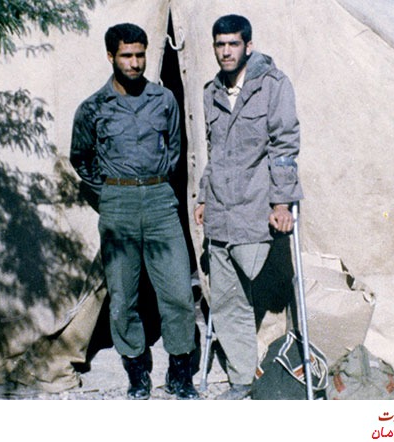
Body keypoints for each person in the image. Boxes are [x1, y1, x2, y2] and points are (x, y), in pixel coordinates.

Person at [70, 23, 198, 400]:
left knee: (178, 292)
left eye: (140, 54)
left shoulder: (164, 100)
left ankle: (180, 373)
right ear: (111, 56)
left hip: (160, 201)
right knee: (123, 296)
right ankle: (137, 373)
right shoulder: (93, 107)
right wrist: (110, 190)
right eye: (126, 55)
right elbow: (80, 157)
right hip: (118, 204)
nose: (135, 62)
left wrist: (153, 184)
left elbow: (174, 151)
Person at [194, 14, 303, 400]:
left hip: (257, 208)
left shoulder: (273, 85)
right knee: (227, 299)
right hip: (221, 210)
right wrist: (203, 195)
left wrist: (282, 202)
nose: (226, 52)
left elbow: (284, 146)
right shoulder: (211, 92)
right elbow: (214, 151)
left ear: (248, 46)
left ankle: (287, 364)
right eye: (220, 45)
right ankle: (242, 379)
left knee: (260, 285)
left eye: (233, 44)